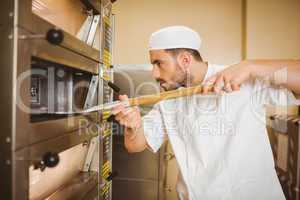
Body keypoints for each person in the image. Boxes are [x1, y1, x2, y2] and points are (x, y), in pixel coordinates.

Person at [112, 26, 300, 200]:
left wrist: (250, 66)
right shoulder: (169, 100)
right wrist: (133, 126)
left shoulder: (242, 78)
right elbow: (135, 145)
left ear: (185, 60)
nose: (153, 73)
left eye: (158, 63)